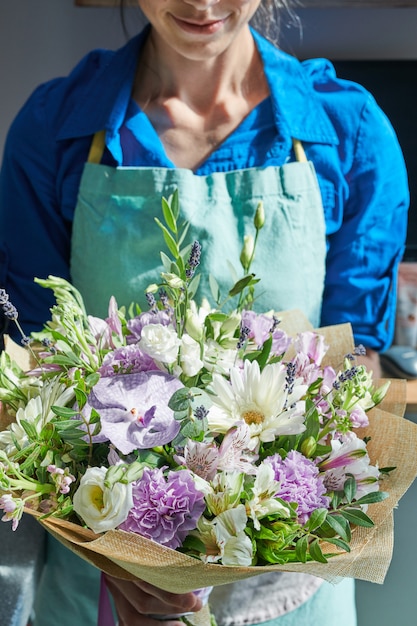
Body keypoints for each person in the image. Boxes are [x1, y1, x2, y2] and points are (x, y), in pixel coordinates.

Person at [0, 1, 409, 625]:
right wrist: (124, 566)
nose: (202, 2)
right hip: (98, 589)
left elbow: (356, 385)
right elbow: (28, 379)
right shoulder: (56, 128)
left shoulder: (346, 131)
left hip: (290, 588)